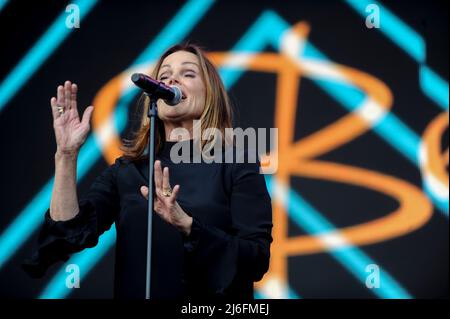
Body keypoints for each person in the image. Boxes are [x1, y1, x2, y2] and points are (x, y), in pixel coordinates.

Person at [23, 43, 273, 299]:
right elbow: (69, 234)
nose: (171, 79)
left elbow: (256, 259)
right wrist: (66, 155)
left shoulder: (236, 163)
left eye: (188, 73)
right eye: (163, 76)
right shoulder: (127, 171)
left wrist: (188, 226)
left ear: (210, 94)